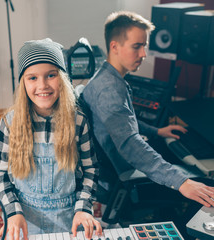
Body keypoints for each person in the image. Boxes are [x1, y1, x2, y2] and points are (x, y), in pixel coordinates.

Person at [81, 10, 214, 229]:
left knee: (176, 157)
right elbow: (131, 145)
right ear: (114, 46)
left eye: (144, 46)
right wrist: (181, 182)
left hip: (113, 168)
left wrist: (157, 131)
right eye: (137, 46)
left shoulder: (105, 77)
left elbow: (123, 123)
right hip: (123, 176)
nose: (144, 54)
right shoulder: (110, 92)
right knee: (204, 185)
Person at [0, 38, 102, 240]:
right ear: (23, 82)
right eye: (32, 78)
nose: (42, 85)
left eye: (51, 75)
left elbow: (91, 169)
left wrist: (83, 208)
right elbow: (0, 175)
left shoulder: (78, 121)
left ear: (62, 78)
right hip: (23, 221)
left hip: (69, 219)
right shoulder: (9, 123)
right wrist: (12, 211)